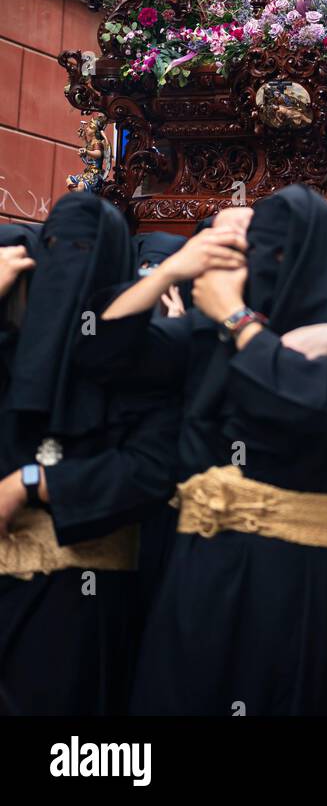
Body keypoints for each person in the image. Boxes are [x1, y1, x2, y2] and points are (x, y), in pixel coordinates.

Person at [124, 188, 327, 715]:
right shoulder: (232, 326)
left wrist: (243, 319)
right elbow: (106, 352)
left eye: (281, 253)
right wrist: (170, 277)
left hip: (316, 580)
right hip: (211, 568)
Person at [0, 195, 180, 715]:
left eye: (82, 252)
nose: (67, 271)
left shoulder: (145, 364)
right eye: (55, 250)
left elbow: (148, 471)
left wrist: (34, 482)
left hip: (81, 605)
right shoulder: (12, 350)